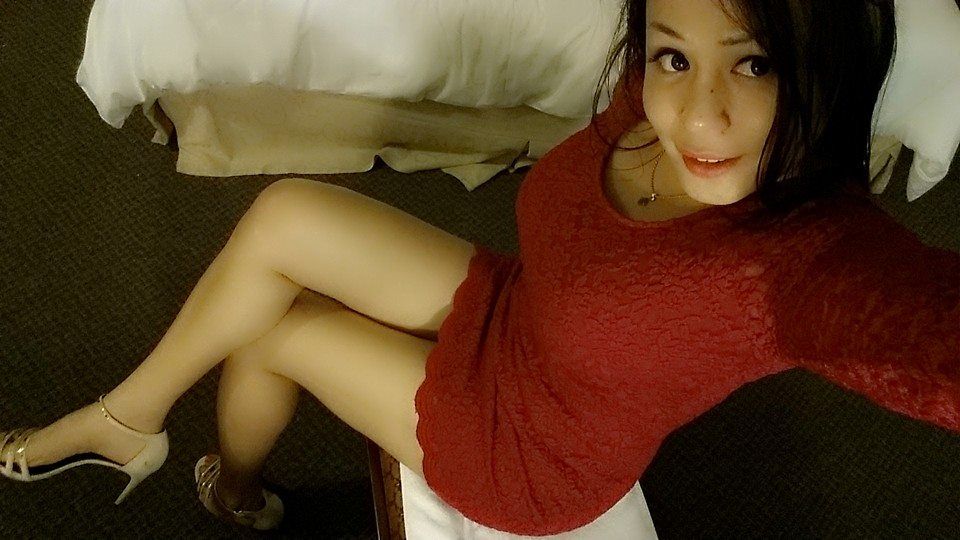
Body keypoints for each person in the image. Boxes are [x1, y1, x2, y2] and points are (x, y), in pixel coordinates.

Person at [3, 0, 958, 535]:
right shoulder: (650, 95)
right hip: (521, 308)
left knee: (273, 331)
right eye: (675, 56)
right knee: (285, 212)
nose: (699, 113)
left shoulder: (810, 259)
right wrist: (679, 66)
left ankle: (237, 493)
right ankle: (130, 422)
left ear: (830, 68)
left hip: (535, 452)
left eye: (755, 65)